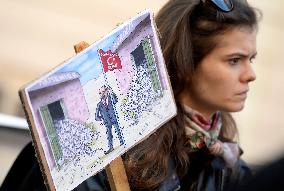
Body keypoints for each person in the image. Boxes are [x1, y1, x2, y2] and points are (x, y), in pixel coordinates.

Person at [1, 0, 260, 190]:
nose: (251, 74)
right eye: (234, 60)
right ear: (185, 64)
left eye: (252, 59)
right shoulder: (97, 162)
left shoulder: (229, 166)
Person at [95, 85, 125, 155]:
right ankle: (111, 147)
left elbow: (115, 101)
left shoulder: (111, 98)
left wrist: (112, 93)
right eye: (100, 93)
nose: (101, 94)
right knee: (109, 135)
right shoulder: (99, 104)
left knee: (118, 130)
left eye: (103, 92)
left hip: (114, 119)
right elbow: (96, 117)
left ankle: (122, 142)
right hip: (107, 122)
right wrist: (102, 119)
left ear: (106, 91)